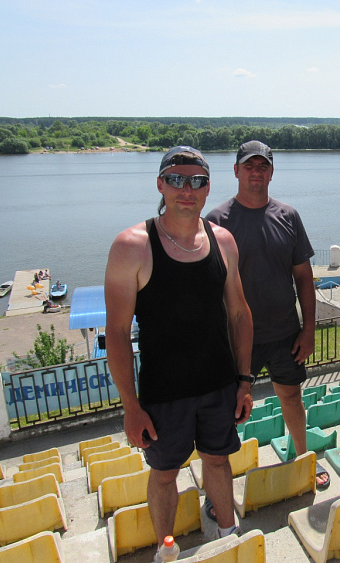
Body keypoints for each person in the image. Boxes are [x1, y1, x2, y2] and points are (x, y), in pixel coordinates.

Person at [104, 146, 254, 554]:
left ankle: (228, 534)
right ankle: (165, 548)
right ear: (160, 185)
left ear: (207, 188)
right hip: (163, 394)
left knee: (218, 460)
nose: (186, 190)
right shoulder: (132, 246)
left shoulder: (223, 241)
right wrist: (131, 407)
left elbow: (239, 314)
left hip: (219, 385)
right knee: (165, 473)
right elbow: (116, 332)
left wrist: (244, 381)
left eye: (197, 181)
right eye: (176, 180)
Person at [206, 140, 330, 493]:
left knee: (291, 398)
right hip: (235, 340)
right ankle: (219, 483)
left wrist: (309, 330)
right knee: (227, 411)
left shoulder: (288, 216)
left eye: (263, 166)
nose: (256, 172)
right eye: (249, 165)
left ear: (272, 172)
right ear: (236, 171)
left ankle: (304, 458)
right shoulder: (215, 221)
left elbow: (303, 277)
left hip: (285, 335)